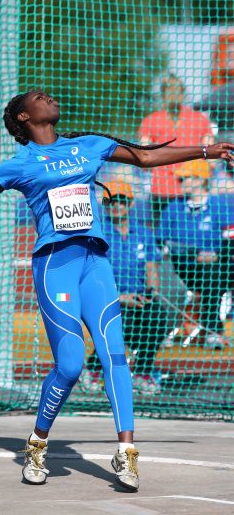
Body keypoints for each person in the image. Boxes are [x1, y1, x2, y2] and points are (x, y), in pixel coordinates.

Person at [0, 91, 234, 492]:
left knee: (116, 355)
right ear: (25, 116)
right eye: (37, 97)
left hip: (95, 264)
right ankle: (37, 443)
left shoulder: (89, 146)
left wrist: (207, 150)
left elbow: (146, 158)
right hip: (55, 266)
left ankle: (126, 452)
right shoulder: (20, 164)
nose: (48, 97)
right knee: (70, 365)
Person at [85, 180, 170, 396]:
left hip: (139, 298)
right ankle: (93, 369)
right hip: (107, 298)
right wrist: (121, 297)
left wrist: (151, 292)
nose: (117, 207)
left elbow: (151, 267)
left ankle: (142, 372)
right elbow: (93, 275)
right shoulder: (97, 233)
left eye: (122, 202)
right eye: (112, 202)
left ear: (130, 205)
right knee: (120, 321)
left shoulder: (143, 233)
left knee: (159, 317)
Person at [157, 160, 234, 349]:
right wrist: (194, 253)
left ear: (200, 180)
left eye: (186, 178)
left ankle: (213, 331)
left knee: (213, 273)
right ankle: (163, 331)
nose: (181, 182)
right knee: (164, 275)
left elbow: (231, 241)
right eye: (181, 179)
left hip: (218, 268)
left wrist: (217, 255)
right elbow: (161, 242)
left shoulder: (220, 206)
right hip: (181, 267)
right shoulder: (174, 208)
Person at [139, 74, 215, 228]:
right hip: (163, 191)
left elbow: (211, 159)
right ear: (163, 94)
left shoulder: (199, 119)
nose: (174, 94)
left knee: (189, 238)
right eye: (170, 90)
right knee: (163, 239)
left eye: (176, 90)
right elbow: (143, 159)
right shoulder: (151, 121)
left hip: (191, 192)